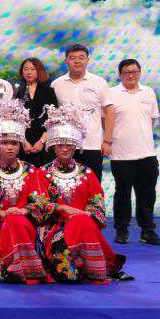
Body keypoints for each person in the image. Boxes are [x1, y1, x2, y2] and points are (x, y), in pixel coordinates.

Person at [33, 103, 129, 283]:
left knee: (82, 221)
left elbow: (97, 203)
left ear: (76, 145)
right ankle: (89, 266)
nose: (65, 148)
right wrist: (64, 209)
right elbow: (38, 206)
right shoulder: (42, 173)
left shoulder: (87, 173)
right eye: (60, 144)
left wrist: (82, 216)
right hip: (55, 229)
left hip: (84, 227)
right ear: (53, 146)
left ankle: (90, 268)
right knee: (68, 275)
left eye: (70, 144)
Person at [0, 100, 46, 283]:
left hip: (24, 223)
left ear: (20, 145)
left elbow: (39, 200)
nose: (10, 147)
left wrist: (23, 211)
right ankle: (21, 266)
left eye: (14, 143)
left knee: (16, 220)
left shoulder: (31, 170)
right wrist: (3, 213)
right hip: (0, 224)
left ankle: (19, 265)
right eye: (5, 143)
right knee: (11, 221)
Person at [103, 59, 160, 246]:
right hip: (121, 154)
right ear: (120, 74)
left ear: (140, 72)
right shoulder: (111, 93)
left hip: (147, 153)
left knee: (147, 195)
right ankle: (121, 230)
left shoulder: (148, 92)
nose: (131, 75)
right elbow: (105, 121)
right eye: (126, 72)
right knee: (122, 194)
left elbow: (151, 120)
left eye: (134, 71)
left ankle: (147, 231)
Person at [50, 44, 110, 181]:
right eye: (72, 58)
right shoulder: (56, 84)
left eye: (81, 57)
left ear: (88, 60)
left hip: (93, 145)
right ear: (66, 61)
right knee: (65, 185)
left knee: (93, 185)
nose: (77, 61)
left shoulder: (99, 82)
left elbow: (109, 111)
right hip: (65, 146)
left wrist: (107, 141)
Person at [14, 57, 58, 168]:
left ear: (39, 71)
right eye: (25, 69)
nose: (29, 72)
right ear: (22, 72)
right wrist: (24, 142)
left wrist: (42, 141)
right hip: (23, 141)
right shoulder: (17, 91)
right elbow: (14, 120)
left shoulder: (49, 91)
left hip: (44, 139)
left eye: (32, 69)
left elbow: (53, 119)